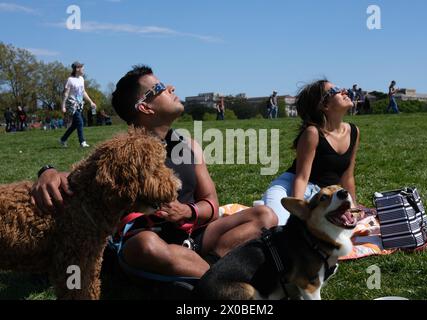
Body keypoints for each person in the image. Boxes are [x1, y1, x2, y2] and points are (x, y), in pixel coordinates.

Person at [31, 65, 278, 279]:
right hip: (148, 238)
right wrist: (48, 172)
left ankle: (206, 271)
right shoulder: (123, 152)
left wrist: (187, 211)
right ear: (145, 107)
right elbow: (81, 176)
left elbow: (211, 203)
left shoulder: (189, 145)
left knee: (264, 216)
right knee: (146, 245)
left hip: (196, 235)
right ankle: (217, 278)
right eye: (159, 88)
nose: (170, 87)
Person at [263, 80, 360, 225]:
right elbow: (301, 178)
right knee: (281, 227)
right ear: (324, 105)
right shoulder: (313, 133)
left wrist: (353, 207)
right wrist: (298, 213)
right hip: (290, 189)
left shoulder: (353, 131)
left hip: (322, 197)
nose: (344, 91)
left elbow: (348, 177)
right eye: (336, 90)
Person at [59, 61, 97, 148]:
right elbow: (65, 93)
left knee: (75, 125)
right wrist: (63, 106)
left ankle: (63, 139)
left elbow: (83, 92)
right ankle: (82, 142)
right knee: (80, 122)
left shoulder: (81, 79)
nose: (83, 70)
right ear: (77, 69)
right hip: (71, 104)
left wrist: (91, 102)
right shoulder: (70, 80)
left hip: (79, 104)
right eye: (82, 68)